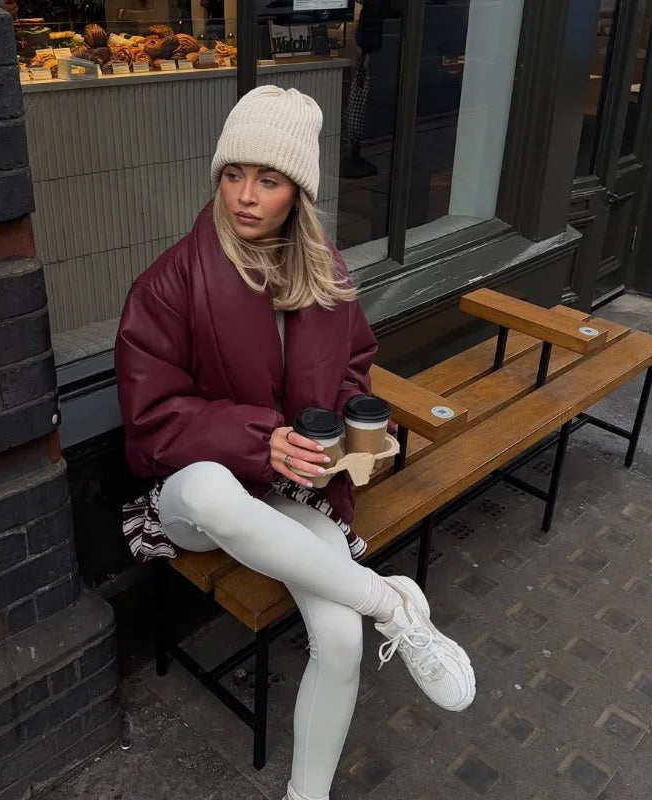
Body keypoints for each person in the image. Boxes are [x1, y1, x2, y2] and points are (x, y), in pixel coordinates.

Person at [115, 85, 475, 800]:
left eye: (268, 179)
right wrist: (261, 440)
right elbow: (150, 424)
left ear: (298, 192)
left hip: (290, 492)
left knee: (339, 640)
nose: (245, 196)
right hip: (198, 494)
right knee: (216, 491)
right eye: (232, 173)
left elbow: (347, 371)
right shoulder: (170, 283)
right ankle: (392, 604)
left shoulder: (325, 274)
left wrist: (359, 428)